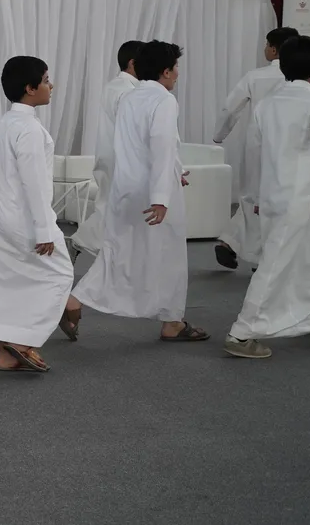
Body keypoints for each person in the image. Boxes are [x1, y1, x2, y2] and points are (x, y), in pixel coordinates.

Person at [66, 41, 208, 343]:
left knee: (120, 251)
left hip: (126, 187)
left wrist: (173, 172)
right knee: (169, 255)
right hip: (153, 193)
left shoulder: (130, 98)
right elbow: (161, 147)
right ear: (165, 71)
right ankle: (172, 321)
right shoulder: (164, 100)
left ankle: (75, 300)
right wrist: (161, 197)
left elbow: (136, 147)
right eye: (176, 67)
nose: (178, 74)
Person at [225, 36, 310, 359]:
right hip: (296, 199)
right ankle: (241, 333)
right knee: (274, 265)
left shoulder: (267, 104)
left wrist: (254, 196)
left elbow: (254, 154)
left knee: (304, 261)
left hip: (269, 198)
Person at [0, 56, 80, 373]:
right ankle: (22, 341)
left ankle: (5, 355)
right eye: (45, 80)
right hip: (24, 214)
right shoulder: (30, 128)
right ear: (30, 89)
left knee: (4, 280)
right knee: (59, 274)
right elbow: (34, 183)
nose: (51, 85)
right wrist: (44, 230)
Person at [212, 26, 299, 270]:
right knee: (278, 201)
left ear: (274, 49)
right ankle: (260, 255)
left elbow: (231, 107)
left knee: (251, 196)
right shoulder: (302, 80)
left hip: (257, 144)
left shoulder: (255, 76)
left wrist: (219, 135)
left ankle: (231, 242)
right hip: (290, 146)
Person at [69, 40, 143, 261]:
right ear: (133, 63)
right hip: (123, 160)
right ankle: (91, 246)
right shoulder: (129, 92)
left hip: (110, 157)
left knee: (110, 207)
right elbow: (134, 132)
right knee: (116, 209)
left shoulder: (114, 86)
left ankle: (86, 244)